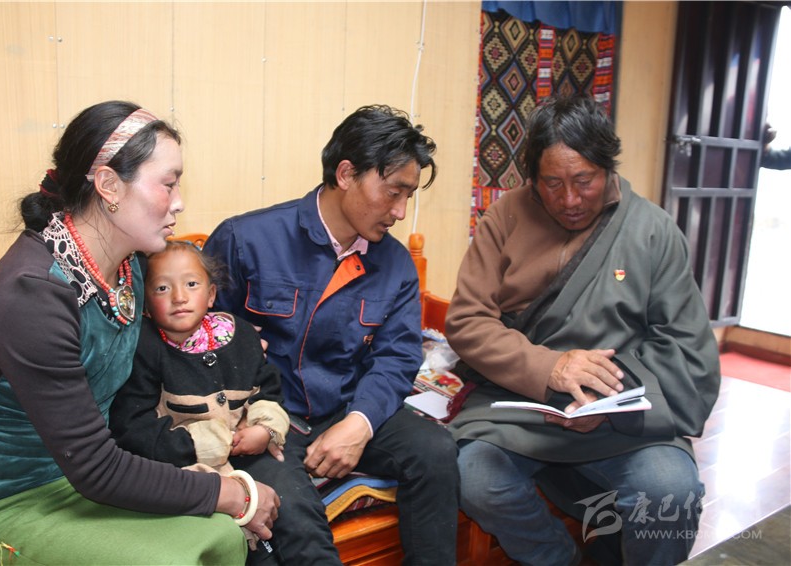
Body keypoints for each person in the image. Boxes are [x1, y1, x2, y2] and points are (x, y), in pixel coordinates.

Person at [0, 100, 279, 564]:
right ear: (108, 185)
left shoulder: (129, 269)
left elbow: (172, 345)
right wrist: (230, 491)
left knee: (220, 538)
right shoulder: (31, 296)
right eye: (168, 183)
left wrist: (234, 345)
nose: (179, 201)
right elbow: (96, 467)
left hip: (78, 475)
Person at [445, 95, 721, 565]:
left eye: (584, 181)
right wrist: (550, 368)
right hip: (523, 405)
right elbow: (468, 320)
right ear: (532, 177)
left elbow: (689, 352)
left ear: (608, 167)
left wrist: (607, 397)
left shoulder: (652, 231)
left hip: (626, 415)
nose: (570, 200)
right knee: (475, 476)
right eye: (552, 183)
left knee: (670, 494)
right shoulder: (506, 216)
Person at [203, 104, 460, 565]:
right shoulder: (245, 240)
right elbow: (194, 340)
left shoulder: (395, 264)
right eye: (393, 192)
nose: (400, 212)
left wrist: (359, 424)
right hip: (264, 419)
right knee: (297, 523)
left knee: (437, 452)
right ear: (345, 174)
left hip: (345, 404)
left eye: (409, 196)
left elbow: (398, 357)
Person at [109, 240, 290, 550]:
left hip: (251, 451)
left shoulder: (239, 334)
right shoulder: (142, 348)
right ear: (146, 305)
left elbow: (268, 387)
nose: (179, 297)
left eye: (191, 284)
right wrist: (204, 443)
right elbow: (132, 428)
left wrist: (265, 429)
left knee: (292, 511)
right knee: (221, 538)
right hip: (183, 467)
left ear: (211, 294)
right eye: (162, 288)